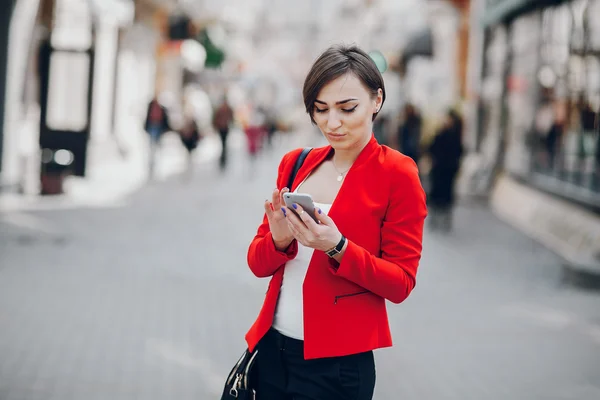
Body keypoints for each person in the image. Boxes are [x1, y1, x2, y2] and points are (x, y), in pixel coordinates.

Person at [244, 45, 427, 400]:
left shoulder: (397, 173)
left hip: (337, 367)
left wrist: (337, 247)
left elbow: (401, 283)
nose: (332, 123)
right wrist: (279, 242)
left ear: (376, 100)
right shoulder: (295, 164)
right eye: (320, 109)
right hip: (271, 352)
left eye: (347, 108)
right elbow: (256, 263)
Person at [427, 109, 464, 232]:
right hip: (439, 169)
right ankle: (435, 218)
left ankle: (445, 219)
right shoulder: (441, 133)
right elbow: (431, 147)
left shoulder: (455, 135)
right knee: (437, 193)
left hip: (448, 171)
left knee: (446, 194)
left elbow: (459, 152)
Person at [144, 96, 170, 179]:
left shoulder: (162, 107)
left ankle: (158, 165)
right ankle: (151, 165)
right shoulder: (151, 106)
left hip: (158, 128)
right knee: (152, 147)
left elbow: (164, 119)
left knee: (158, 148)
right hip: (152, 127)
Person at [212, 95, 234, 171]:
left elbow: (231, 118)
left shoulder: (226, 108)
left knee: (224, 145)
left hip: (225, 128)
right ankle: (223, 159)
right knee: (223, 145)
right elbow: (215, 118)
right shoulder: (221, 109)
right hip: (222, 128)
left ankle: (223, 159)